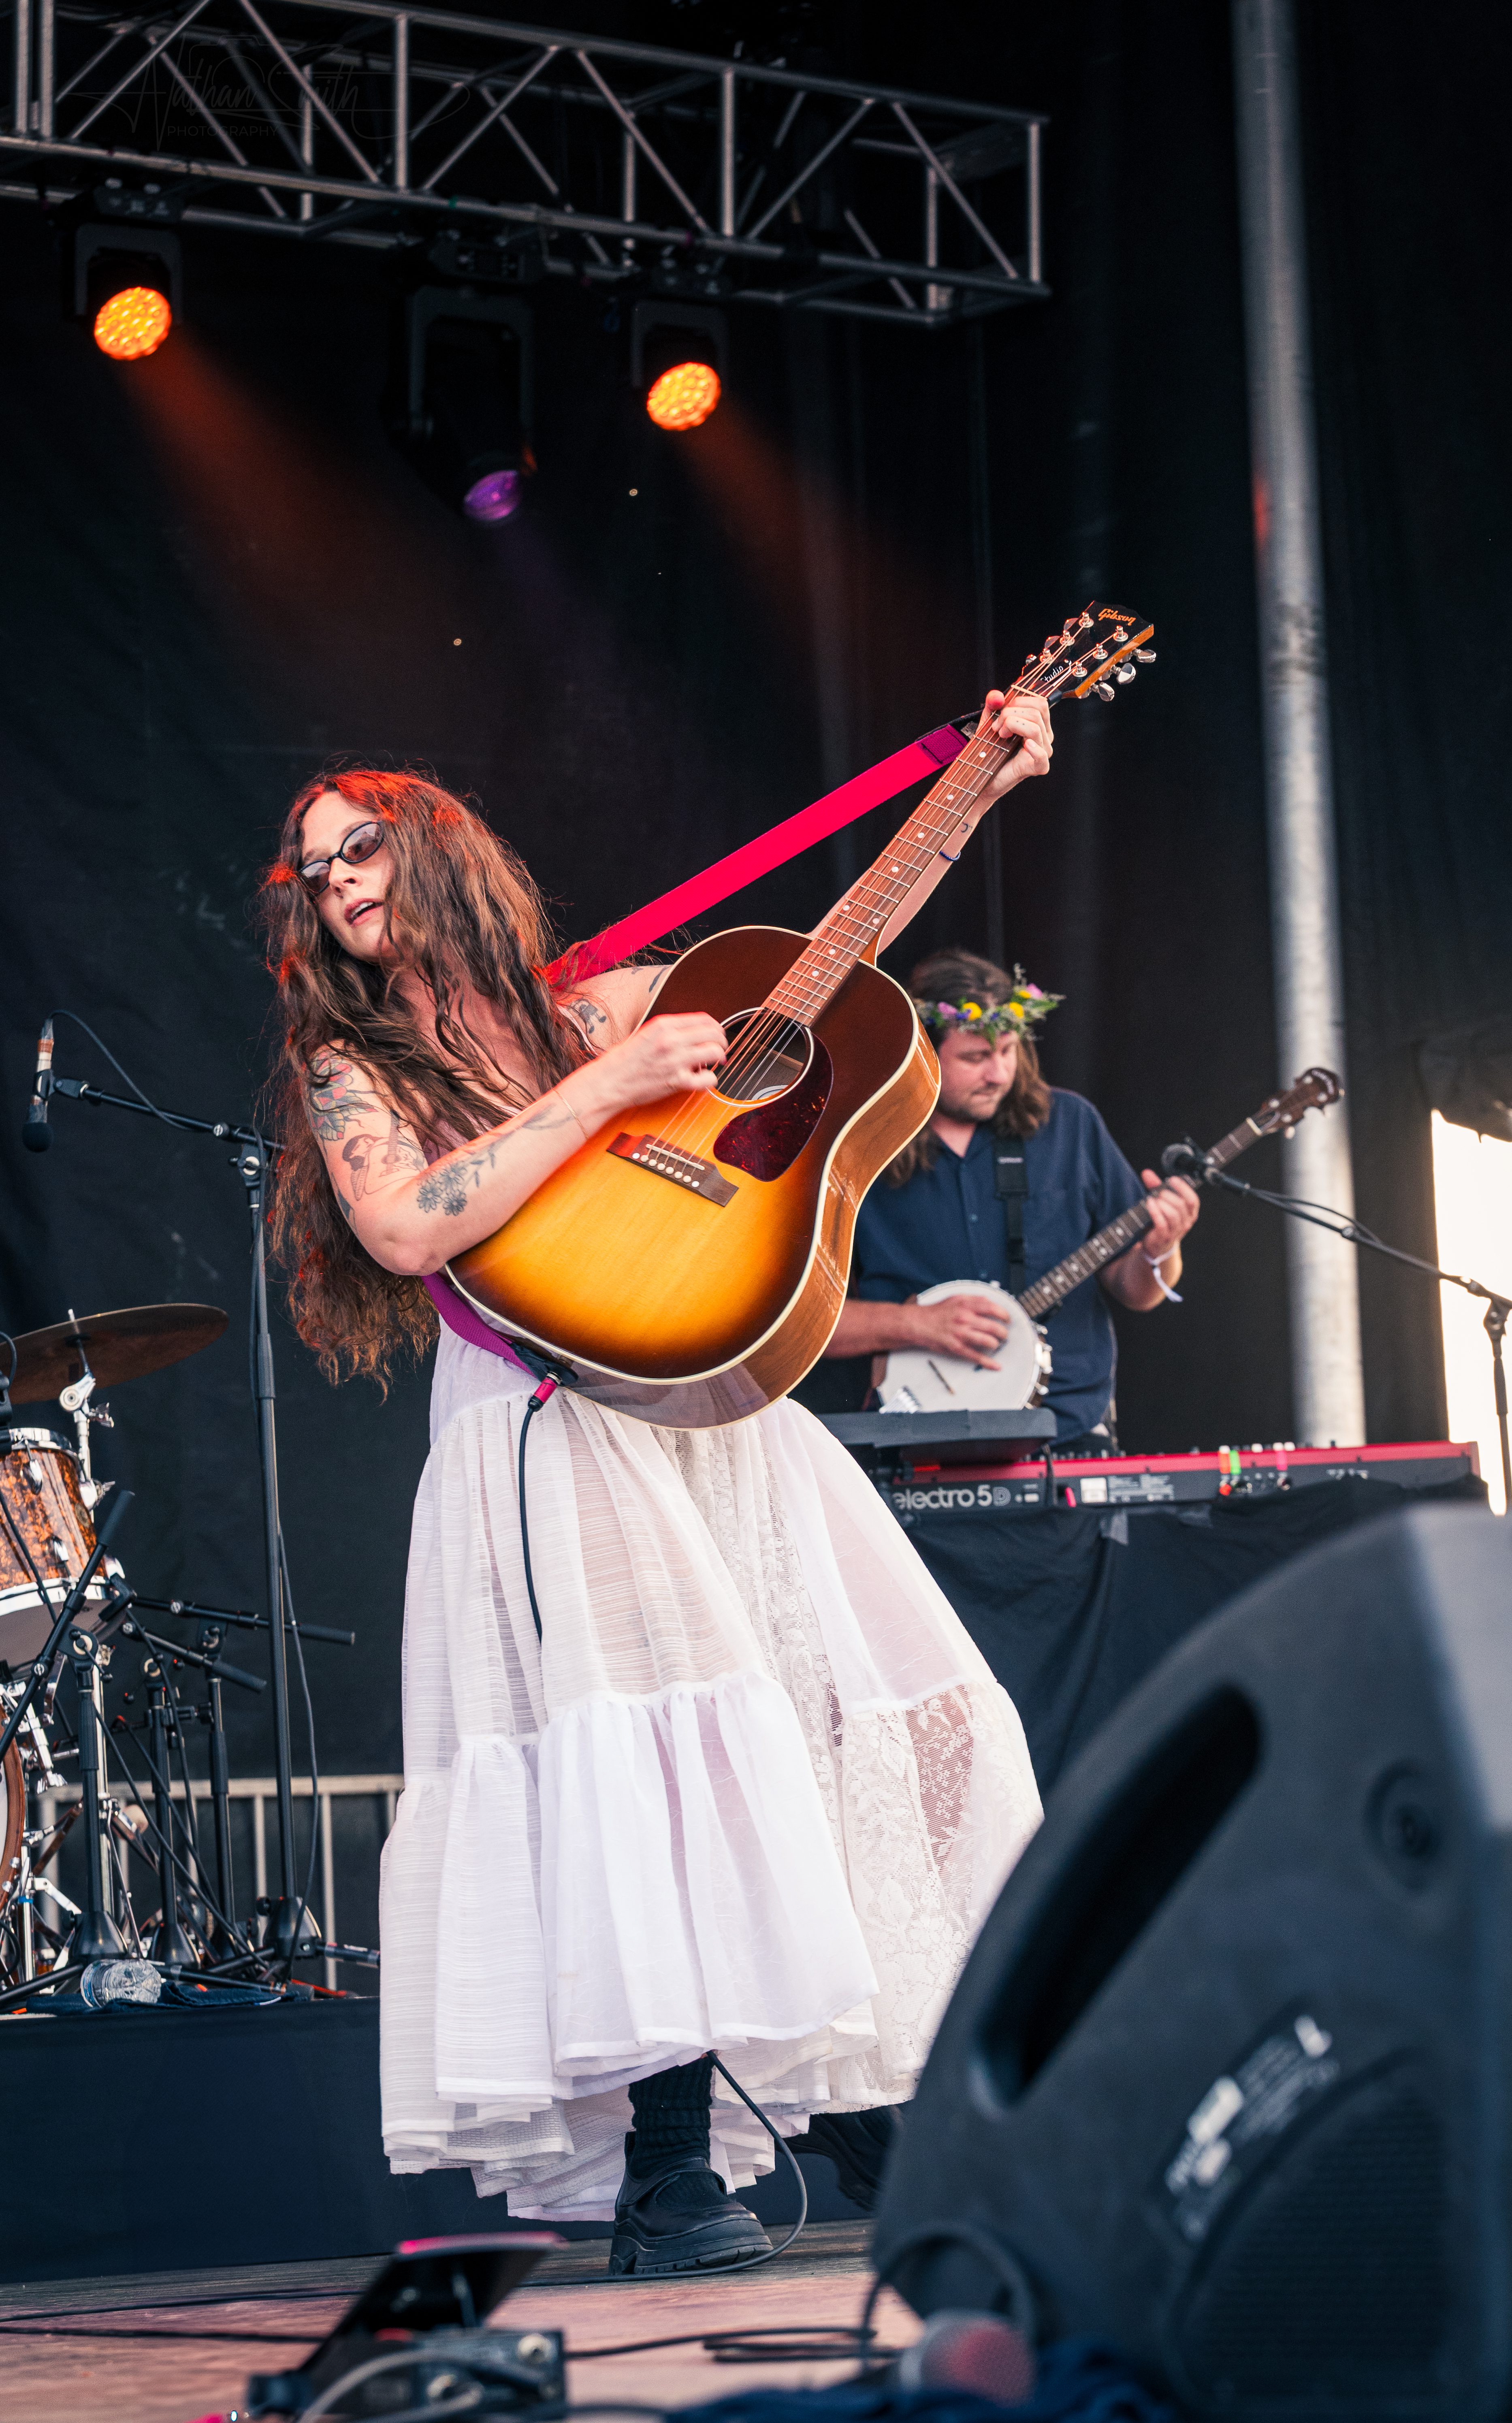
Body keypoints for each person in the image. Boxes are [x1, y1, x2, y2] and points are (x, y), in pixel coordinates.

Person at [259, 695, 1048, 2276]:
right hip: (546, 1425)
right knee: (653, 1776)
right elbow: (409, 1231)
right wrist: (599, 1095)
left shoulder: (583, 1003)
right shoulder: (354, 1068)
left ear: (434, 848)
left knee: (891, 1704)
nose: (338, 878)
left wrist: (980, 781)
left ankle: (861, 2087)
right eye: (311, 869)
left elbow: (835, 948)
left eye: (362, 844)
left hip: (706, 1407)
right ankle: (667, 2178)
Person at [819, 951, 1201, 1448]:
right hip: (908, 1442)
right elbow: (798, 1330)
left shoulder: (1071, 1126)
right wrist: (912, 1325)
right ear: (921, 1058)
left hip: (1064, 1435)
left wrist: (1159, 1251)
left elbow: (1138, 1293)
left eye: (1007, 1051)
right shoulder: (854, 1151)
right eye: (975, 1058)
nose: (998, 1074)